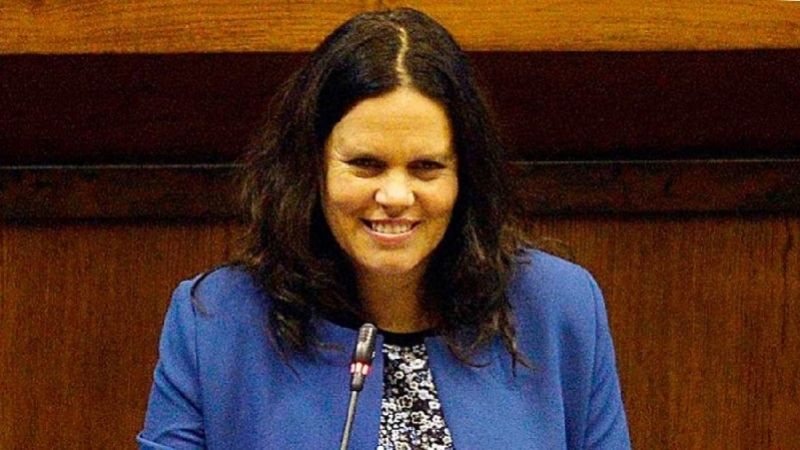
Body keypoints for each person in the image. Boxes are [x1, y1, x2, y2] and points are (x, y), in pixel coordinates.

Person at [137, 8, 630, 449]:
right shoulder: (217, 321)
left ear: (465, 174)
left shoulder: (559, 308)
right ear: (313, 169)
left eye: (426, 167)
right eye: (366, 165)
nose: (396, 196)